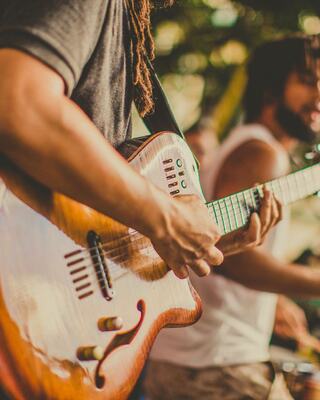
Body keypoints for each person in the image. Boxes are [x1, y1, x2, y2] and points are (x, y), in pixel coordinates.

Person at [0, 2, 281, 398]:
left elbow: (96, 206)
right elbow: (19, 99)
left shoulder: (127, 19)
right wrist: (164, 216)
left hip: (53, 311)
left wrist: (190, 240)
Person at [143, 36, 320, 400]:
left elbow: (223, 245)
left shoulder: (246, 144)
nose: (319, 93)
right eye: (306, 79)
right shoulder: (262, 152)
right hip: (215, 365)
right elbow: (224, 259)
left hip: (194, 359)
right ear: (271, 89)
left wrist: (274, 303)